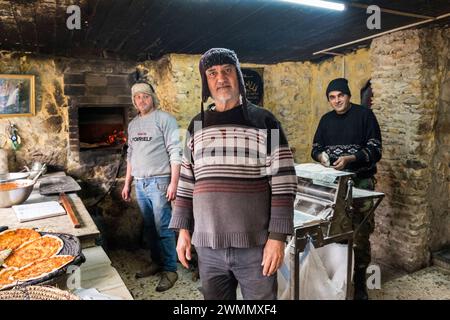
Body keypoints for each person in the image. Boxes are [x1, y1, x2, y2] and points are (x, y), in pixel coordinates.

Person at [169, 48, 297, 300]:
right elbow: (186, 181)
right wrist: (183, 231)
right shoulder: (197, 125)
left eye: (227, 71)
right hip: (208, 248)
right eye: (212, 73)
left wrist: (277, 238)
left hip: (256, 247)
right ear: (206, 82)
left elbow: (284, 181)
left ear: (237, 76)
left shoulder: (265, 121)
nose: (221, 78)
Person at [311, 78, 382, 300]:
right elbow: (316, 148)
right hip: (335, 186)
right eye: (332, 97)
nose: (337, 100)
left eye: (340, 95)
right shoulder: (326, 120)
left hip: (361, 183)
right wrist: (321, 156)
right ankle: (341, 279)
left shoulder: (365, 116)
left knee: (360, 235)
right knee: (338, 234)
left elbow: (375, 150)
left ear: (348, 95)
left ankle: (360, 284)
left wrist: (350, 158)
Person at [121, 82, 181, 292]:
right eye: (137, 97)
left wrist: (174, 182)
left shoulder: (165, 119)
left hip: (160, 181)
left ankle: (171, 269)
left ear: (152, 98)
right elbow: (131, 155)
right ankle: (157, 262)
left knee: (163, 227)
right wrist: (127, 182)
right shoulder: (133, 125)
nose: (141, 100)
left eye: (145, 96)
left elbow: (175, 151)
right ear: (134, 101)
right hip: (140, 182)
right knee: (149, 227)